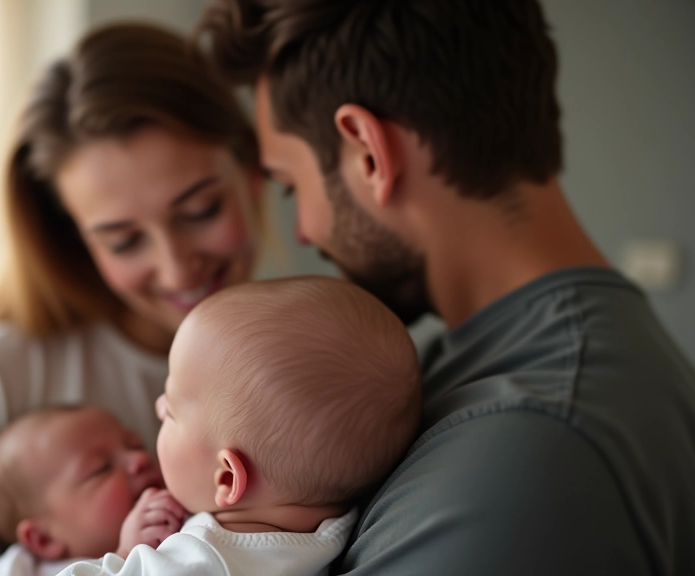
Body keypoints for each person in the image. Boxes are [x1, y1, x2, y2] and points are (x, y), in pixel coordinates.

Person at [196, 1, 695, 575]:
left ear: (367, 152)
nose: (304, 231)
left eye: (290, 185)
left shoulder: (519, 457)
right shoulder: (524, 364)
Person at [0, 22, 264, 576]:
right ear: (74, 238)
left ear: (253, 171)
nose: (177, 266)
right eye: (124, 240)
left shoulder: (329, 349)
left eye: (201, 210)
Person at [60, 277, 420, 575]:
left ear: (228, 478)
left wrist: (125, 554)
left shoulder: (203, 560)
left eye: (171, 411)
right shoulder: (331, 524)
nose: (157, 408)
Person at [0, 407, 185, 576]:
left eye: (135, 445)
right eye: (102, 468)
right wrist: (123, 557)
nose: (140, 458)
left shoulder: (187, 510)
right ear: (44, 539)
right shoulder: (20, 569)